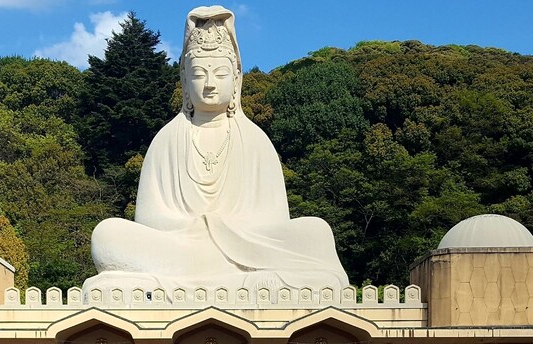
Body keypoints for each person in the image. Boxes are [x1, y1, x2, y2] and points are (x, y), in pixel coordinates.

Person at [84, 6, 349, 299]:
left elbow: (275, 222)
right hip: (181, 251)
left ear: (236, 79)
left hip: (249, 252)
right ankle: (247, 285)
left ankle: (179, 287)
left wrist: (226, 231)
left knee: (316, 232)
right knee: (108, 234)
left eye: (220, 73)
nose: (209, 84)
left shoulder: (255, 141)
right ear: (184, 80)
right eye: (199, 74)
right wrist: (201, 229)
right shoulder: (166, 140)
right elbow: (149, 221)